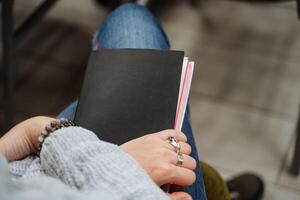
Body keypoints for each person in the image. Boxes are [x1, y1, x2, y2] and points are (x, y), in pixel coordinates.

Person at [0, 3, 264, 200]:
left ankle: (211, 188)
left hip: (35, 175)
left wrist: (36, 131)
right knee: (132, 23)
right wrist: (118, 168)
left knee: (130, 23)